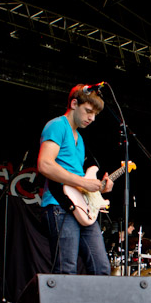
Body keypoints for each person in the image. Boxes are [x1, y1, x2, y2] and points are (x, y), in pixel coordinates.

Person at [37, 84, 114, 275]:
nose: (92, 118)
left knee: (101, 268)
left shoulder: (80, 139)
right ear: (73, 103)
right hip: (59, 205)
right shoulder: (57, 125)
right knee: (66, 270)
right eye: (88, 111)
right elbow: (45, 164)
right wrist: (82, 183)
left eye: (95, 114)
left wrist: (98, 189)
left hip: (82, 206)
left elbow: (81, 179)